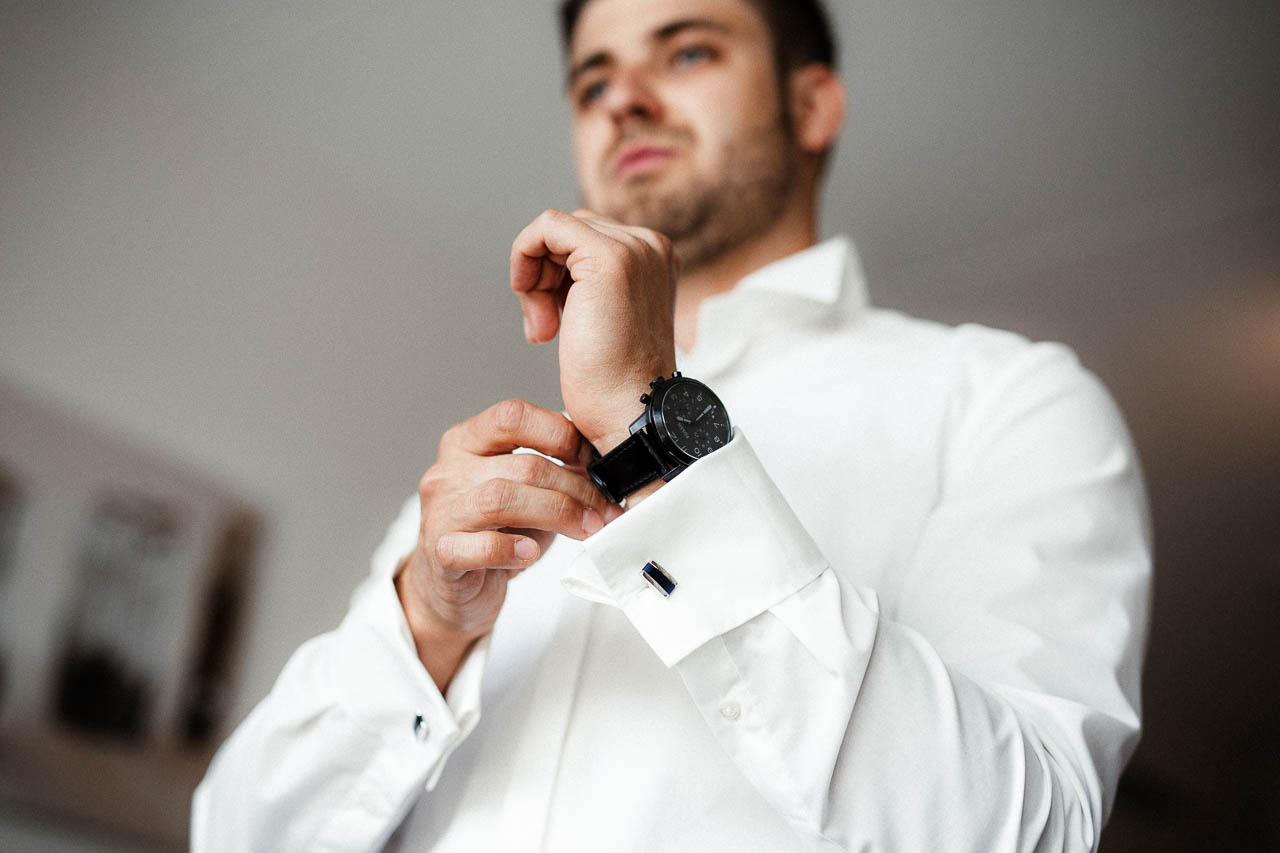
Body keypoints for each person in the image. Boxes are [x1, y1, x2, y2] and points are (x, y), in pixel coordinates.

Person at [192, 0, 1151, 849]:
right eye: (593, 80)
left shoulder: (1006, 400)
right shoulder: (480, 491)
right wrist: (425, 629)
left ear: (812, 104)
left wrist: (664, 443)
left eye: (687, 52)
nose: (624, 100)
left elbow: (1036, 834)